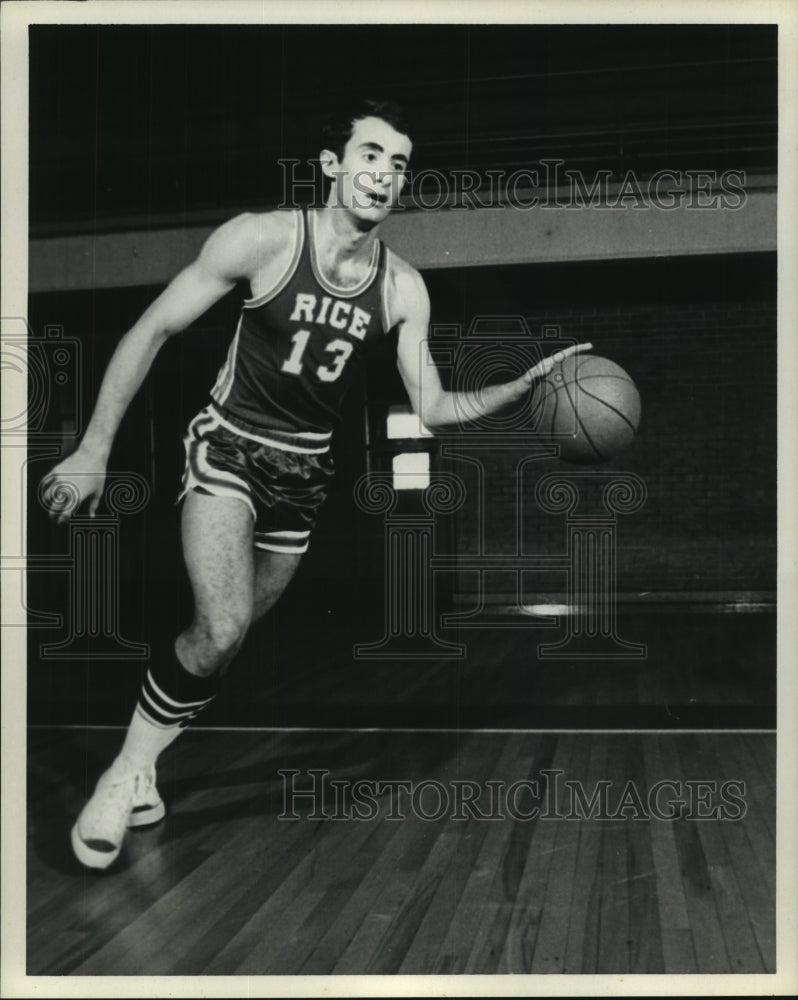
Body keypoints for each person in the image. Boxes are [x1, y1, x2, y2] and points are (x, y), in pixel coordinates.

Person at [42, 98, 591, 868]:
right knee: (224, 622)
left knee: (217, 647)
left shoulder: (403, 289)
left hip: (305, 474)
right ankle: (123, 772)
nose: (385, 174)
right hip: (229, 448)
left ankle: (146, 769)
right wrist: (94, 446)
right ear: (332, 165)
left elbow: (431, 404)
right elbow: (153, 330)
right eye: (371, 155)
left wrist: (510, 390)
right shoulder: (264, 238)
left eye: (399, 164)